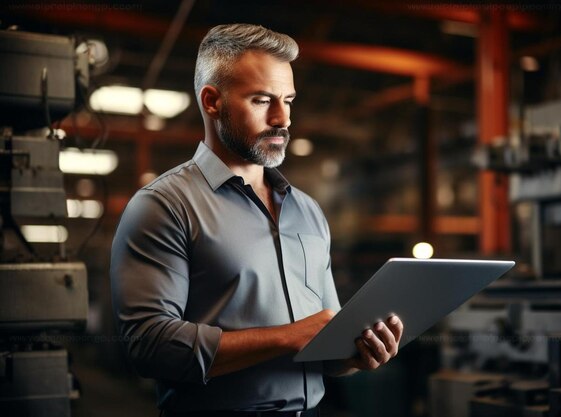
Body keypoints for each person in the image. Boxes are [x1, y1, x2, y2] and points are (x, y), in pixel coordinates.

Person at [110, 23, 404, 417]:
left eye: (288, 100)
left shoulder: (309, 212)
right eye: (263, 100)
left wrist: (358, 355)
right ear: (212, 102)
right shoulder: (164, 206)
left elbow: (323, 348)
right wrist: (288, 337)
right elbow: (149, 346)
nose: (282, 118)